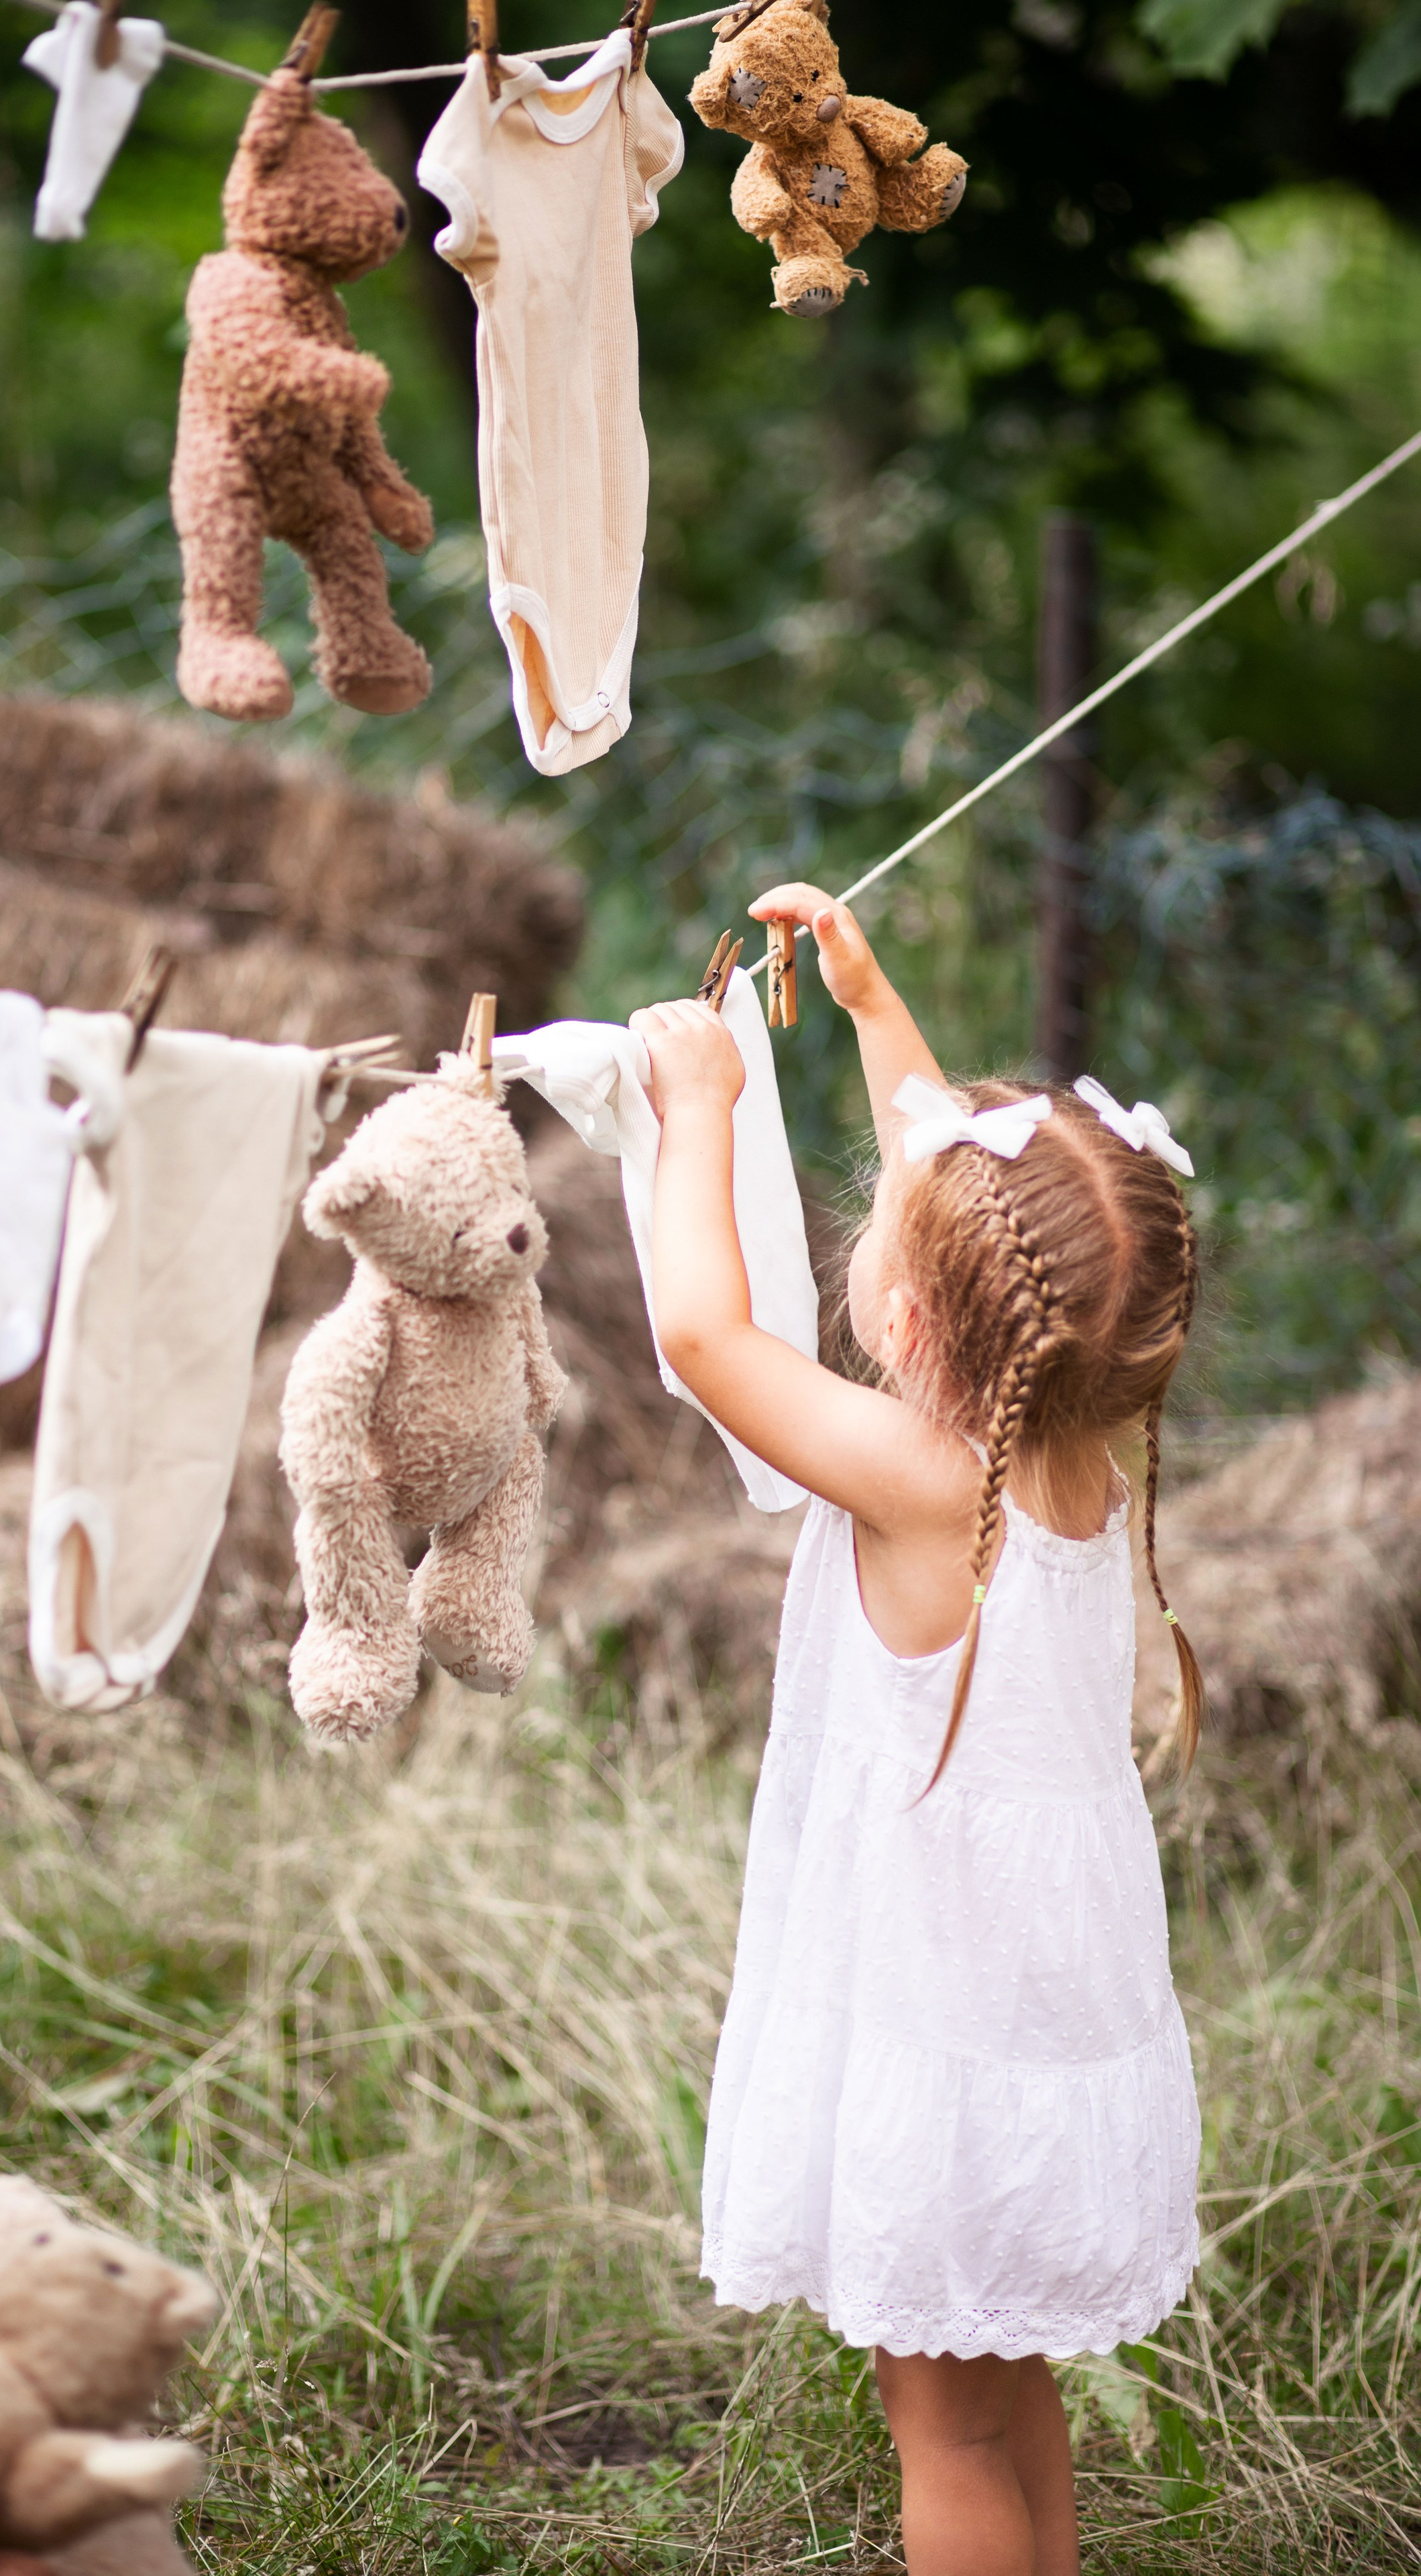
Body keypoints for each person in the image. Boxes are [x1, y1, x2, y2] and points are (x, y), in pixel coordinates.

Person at [630, 884, 1204, 2576]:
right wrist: (873, 1007)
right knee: (1000, 2382)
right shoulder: (1074, 1449)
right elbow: (962, 1191)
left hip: (937, 2025)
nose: (873, 1213)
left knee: (936, 2428)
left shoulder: (917, 1477)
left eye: (885, 1224)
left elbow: (700, 1335)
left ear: (909, 1322)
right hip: (1035, 2010)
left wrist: (698, 1110)